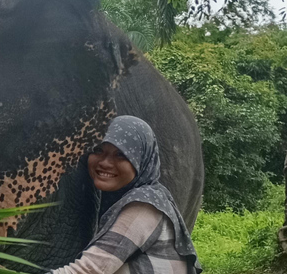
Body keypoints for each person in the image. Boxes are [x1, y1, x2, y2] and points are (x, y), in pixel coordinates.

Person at [50, 115, 202, 274]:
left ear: (141, 160)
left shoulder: (144, 207)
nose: (104, 162)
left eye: (121, 154)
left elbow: (89, 270)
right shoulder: (126, 199)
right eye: (98, 150)